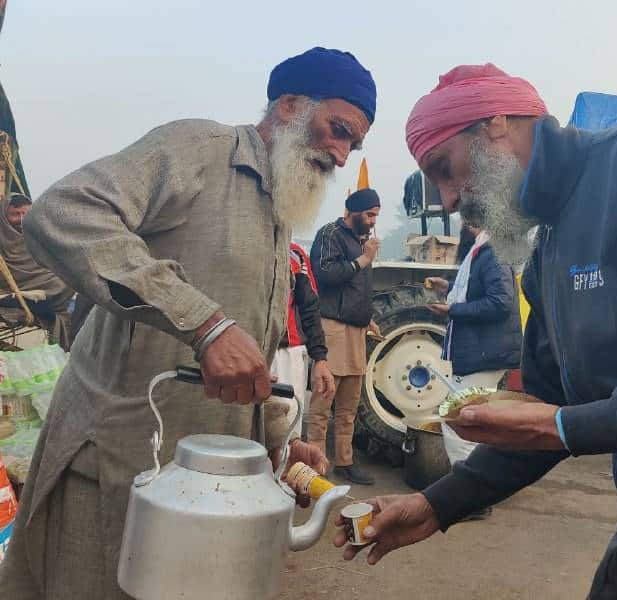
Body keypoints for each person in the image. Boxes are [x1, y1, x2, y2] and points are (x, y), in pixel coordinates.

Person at [334, 63, 617, 599]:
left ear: (495, 124)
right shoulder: (546, 253)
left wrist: (570, 425)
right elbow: (548, 405)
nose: (448, 200)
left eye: (444, 168)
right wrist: (440, 503)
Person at [0, 46, 376, 599]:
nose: (342, 155)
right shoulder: (199, 150)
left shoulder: (279, 212)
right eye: (337, 130)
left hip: (203, 491)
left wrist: (279, 443)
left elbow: (253, 354)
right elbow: (63, 212)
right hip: (113, 467)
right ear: (292, 106)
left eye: (355, 144)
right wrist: (204, 325)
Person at [426, 223, 521, 462]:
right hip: (484, 351)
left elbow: (500, 302)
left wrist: (453, 309)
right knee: (475, 421)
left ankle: (467, 489)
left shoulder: (491, 253)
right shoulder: (483, 251)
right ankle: (479, 485)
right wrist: (448, 287)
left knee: (457, 422)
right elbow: (482, 291)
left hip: (484, 354)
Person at [308, 188, 381, 485]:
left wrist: (369, 318)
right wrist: (363, 260)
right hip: (333, 329)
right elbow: (324, 274)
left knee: (349, 406)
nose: (373, 221)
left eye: (376, 215)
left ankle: (345, 462)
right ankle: (313, 462)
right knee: (323, 402)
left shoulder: (360, 241)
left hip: (355, 330)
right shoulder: (330, 234)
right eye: (369, 214)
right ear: (352, 211)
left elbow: (355, 290)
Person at [272, 242, 335, 437]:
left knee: (288, 426)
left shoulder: (294, 254)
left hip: (286, 355)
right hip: (244, 351)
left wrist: (320, 359)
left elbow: (309, 309)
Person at [0, 192, 74, 349]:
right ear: (4, 216)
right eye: (15, 214)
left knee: (65, 281)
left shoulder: (40, 237)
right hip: (9, 291)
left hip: (44, 290)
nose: (20, 219)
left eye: (25, 214)